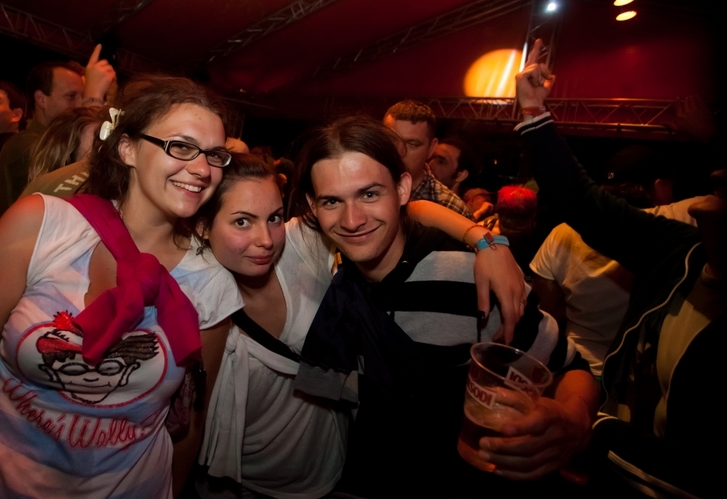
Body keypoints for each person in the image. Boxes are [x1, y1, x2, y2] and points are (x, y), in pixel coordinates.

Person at [0, 75, 241, 499]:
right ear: (127, 148)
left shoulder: (212, 281)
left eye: (215, 155)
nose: (202, 169)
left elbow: (187, 429)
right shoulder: (39, 227)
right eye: (181, 147)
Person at [291, 115, 598, 497]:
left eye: (370, 194)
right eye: (332, 201)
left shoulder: (467, 278)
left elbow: (569, 367)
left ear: (402, 188)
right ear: (313, 205)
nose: (352, 220)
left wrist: (574, 418)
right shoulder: (328, 265)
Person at [192, 153, 528, 498]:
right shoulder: (189, 297)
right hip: (239, 485)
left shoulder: (296, 246)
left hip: (333, 469)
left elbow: (404, 209)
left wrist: (487, 242)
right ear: (202, 226)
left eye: (274, 217)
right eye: (242, 222)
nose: (265, 239)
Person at [515, 39, 725, 498]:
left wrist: (590, 428)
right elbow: (579, 200)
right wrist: (533, 110)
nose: (715, 177)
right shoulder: (679, 251)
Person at [0, 45, 116, 220]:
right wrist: (93, 97)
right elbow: (68, 181)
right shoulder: (23, 143)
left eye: (82, 96)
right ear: (41, 99)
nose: (79, 104)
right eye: (71, 96)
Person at [383, 100, 473, 218]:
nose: (399, 151)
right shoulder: (364, 186)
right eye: (391, 140)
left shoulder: (449, 207)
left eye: (412, 144)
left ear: (431, 148)